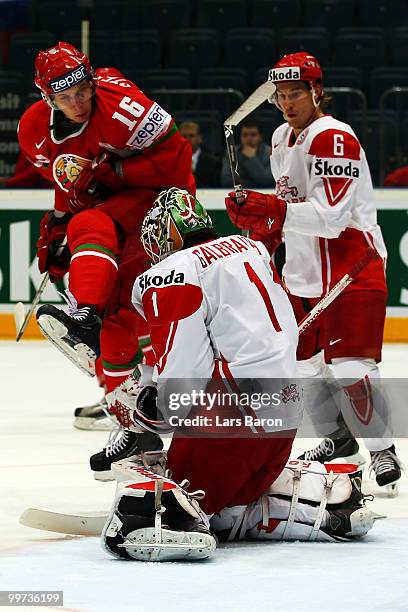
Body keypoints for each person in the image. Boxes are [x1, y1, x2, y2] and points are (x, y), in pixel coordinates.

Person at [100, 188, 378, 562]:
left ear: (166, 237)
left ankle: (178, 517)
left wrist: (150, 413)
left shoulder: (170, 272)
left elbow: (185, 370)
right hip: (282, 421)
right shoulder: (251, 249)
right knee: (230, 507)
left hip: (230, 426)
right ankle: (327, 499)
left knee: (137, 516)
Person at [225, 52, 403, 495]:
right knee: (302, 367)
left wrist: (272, 209)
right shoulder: (282, 137)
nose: (287, 103)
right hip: (303, 275)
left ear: (316, 92)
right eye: (281, 95)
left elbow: (331, 219)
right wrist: (263, 228)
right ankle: (338, 439)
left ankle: (381, 449)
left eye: (296, 94)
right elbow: (291, 205)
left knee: (350, 368)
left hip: (352, 268)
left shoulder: (334, 138)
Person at [17, 42, 194, 455]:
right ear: (47, 97)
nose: (77, 102)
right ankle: (134, 426)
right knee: (117, 319)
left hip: (161, 198)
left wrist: (111, 169)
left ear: (91, 79)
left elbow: (177, 160)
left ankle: (86, 315)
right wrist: (58, 228)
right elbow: (70, 186)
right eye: (64, 96)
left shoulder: (120, 105)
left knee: (93, 230)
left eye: (81, 90)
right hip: (114, 208)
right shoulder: (33, 129)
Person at [220, 118, 274, 189]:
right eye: (245, 135)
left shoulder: (269, 153)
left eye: (253, 135)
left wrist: (251, 158)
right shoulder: (231, 152)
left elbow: (266, 180)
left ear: (260, 137)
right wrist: (253, 184)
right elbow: (225, 180)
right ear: (240, 137)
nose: (249, 138)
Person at [179, 121, 221, 188]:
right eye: (184, 136)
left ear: (199, 138)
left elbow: (217, 189)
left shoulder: (213, 163)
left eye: (191, 136)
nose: (187, 139)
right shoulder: (172, 162)